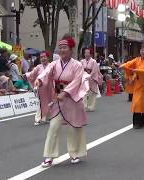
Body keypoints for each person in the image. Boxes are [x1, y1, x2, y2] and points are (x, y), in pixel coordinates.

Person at [34, 35, 88, 167]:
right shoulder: (54, 64)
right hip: (58, 99)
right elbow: (46, 72)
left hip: (72, 99)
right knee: (53, 127)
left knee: (73, 128)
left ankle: (74, 152)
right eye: (60, 48)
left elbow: (77, 81)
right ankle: (49, 155)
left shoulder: (77, 65)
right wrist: (39, 79)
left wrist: (65, 92)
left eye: (65, 48)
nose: (62, 50)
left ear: (71, 50)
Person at [120, 42, 144, 129]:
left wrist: (135, 70)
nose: (143, 52)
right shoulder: (137, 59)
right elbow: (129, 63)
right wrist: (123, 65)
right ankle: (136, 123)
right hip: (138, 85)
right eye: (141, 50)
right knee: (136, 103)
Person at [26, 51, 52, 126]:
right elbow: (32, 75)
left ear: (48, 57)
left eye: (44, 56)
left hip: (50, 88)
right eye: (41, 57)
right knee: (42, 102)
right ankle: (38, 118)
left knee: (50, 102)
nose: (43, 58)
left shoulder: (51, 66)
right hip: (41, 87)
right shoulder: (38, 67)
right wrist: (26, 75)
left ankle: (46, 117)